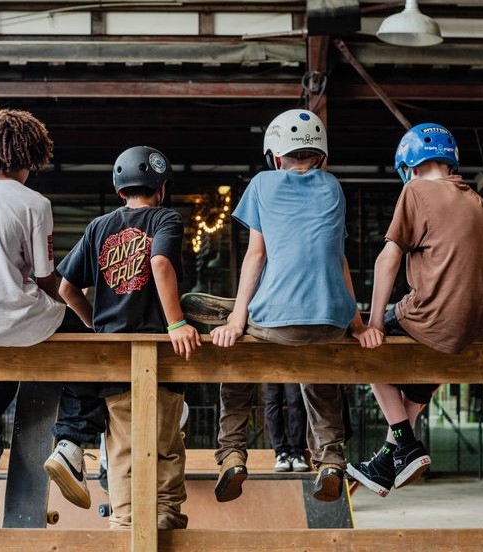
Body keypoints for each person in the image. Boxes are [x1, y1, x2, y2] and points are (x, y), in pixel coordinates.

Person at [196, 109, 373, 504]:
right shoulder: (333, 187)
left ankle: (232, 454)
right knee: (317, 368)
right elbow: (337, 258)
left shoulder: (262, 183)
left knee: (236, 366)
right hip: (332, 319)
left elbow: (256, 256)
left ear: (275, 157)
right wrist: (358, 324)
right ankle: (331, 460)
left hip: (278, 321)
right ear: (321, 157)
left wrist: (237, 322)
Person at [346, 123, 483, 497]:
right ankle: (388, 458)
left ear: (409, 166)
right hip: (482, 322)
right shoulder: (477, 199)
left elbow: (387, 260)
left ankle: (405, 441)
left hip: (434, 315)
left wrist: (374, 323)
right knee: (426, 365)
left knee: (364, 355)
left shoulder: (414, 190)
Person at [0, 108, 104, 529]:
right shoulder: (35, 202)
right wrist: (72, 306)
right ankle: (69, 446)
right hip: (12, 316)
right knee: (87, 352)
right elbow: (46, 275)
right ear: (31, 156)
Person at [57, 145, 200, 530]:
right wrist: (176, 324)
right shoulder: (165, 218)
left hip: (112, 355)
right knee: (165, 439)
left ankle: (125, 518)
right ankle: (165, 513)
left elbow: (67, 288)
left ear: (121, 191)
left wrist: (95, 325)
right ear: (162, 188)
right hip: (160, 350)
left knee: (120, 444)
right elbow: (159, 261)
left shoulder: (98, 227)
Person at [263, 383, 310, 472]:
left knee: (296, 400)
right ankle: (281, 453)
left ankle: (297, 453)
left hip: (295, 369)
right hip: (268, 369)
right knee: (272, 401)